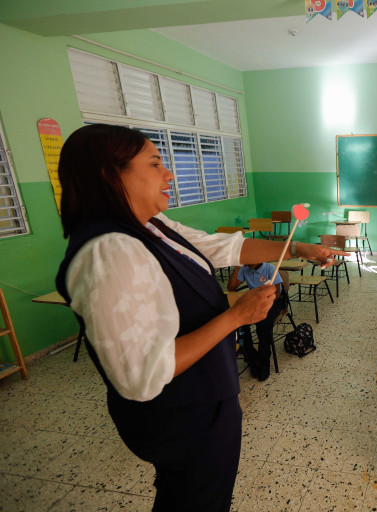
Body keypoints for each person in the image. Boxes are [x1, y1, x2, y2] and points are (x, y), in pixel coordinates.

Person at [54, 124, 345, 511]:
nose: (169, 175)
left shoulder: (149, 226)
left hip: (203, 400)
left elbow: (218, 247)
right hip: (181, 417)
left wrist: (297, 249)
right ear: (110, 174)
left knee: (188, 495)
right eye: (154, 164)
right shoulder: (109, 253)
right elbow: (140, 376)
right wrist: (235, 317)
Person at [227, 263, 284, 381]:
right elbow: (231, 287)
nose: (247, 262)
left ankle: (264, 362)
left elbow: (277, 293)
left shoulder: (269, 268)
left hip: (273, 301)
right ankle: (252, 359)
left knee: (263, 325)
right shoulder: (245, 269)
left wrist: (263, 305)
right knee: (240, 325)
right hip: (255, 302)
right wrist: (237, 267)